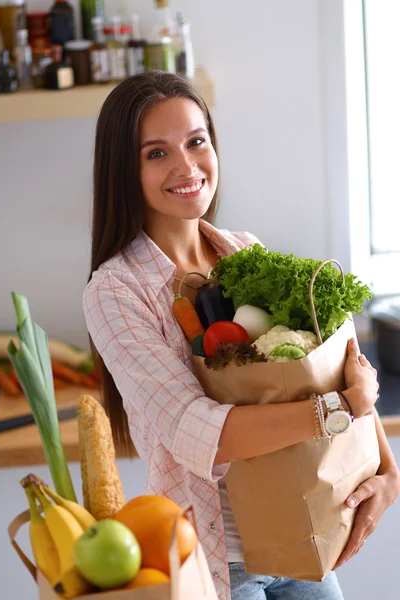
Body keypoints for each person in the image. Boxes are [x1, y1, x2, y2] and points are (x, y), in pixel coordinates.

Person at [83, 71, 400, 600]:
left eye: (196, 141)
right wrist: (338, 408)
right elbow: (195, 431)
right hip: (214, 559)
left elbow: (337, 361)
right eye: (156, 153)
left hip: (301, 529)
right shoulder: (115, 291)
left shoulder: (243, 251)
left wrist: (389, 472)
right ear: (123, 168)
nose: (187, 167)